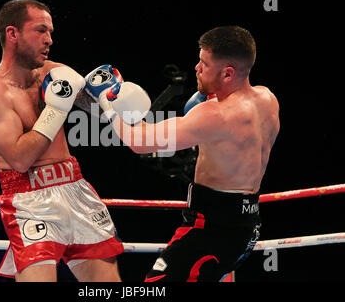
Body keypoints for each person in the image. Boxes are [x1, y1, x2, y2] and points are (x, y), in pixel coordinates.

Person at [86, 26, 280, 281]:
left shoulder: (215, 115)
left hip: (210, 231)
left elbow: (139, 142)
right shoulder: (267, 98)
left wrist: (107, 102)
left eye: (204, 63)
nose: (197, 68)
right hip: (246, 226)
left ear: (227, 73)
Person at [0, 0, 124, 282]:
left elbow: (103, 115)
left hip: (75, 188)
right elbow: (19, 159)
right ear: (12, 33)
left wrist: (111, 96)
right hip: (30, 200)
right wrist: (56, 109)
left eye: (51, 32)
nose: (49, 40)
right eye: (41, 31)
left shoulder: (55, 72)